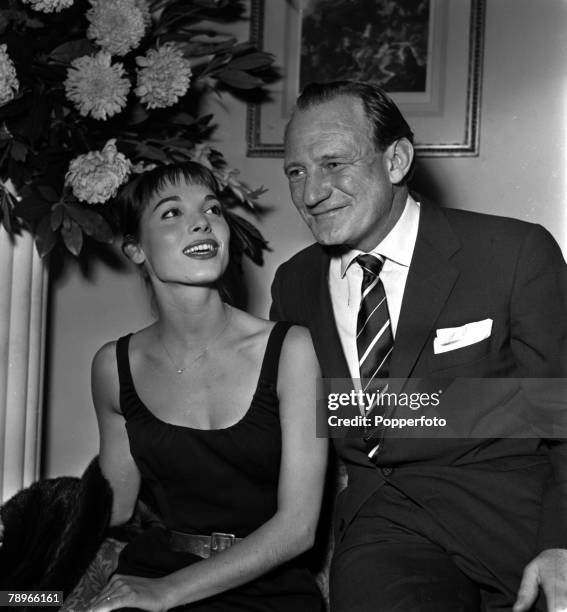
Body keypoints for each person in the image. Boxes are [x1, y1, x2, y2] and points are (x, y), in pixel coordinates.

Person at [270, 80, 567, 611]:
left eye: (334, 163)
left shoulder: (512, 253)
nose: (311, 193)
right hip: (384, 532)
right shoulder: (294, 284)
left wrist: (561, 542)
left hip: (513, 525)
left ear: (397, 160)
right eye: (297, 171)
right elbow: (281, 428)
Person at [85, 161, 327, 611]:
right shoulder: (113, 366)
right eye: (172, 213)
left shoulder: (292, 350)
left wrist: (167, 593)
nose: (202, 221)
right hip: (154, 569)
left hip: (268, 587)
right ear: (135, 248)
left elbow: (298, 527)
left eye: (212, 209)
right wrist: (24, 536)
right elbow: (113, 507)